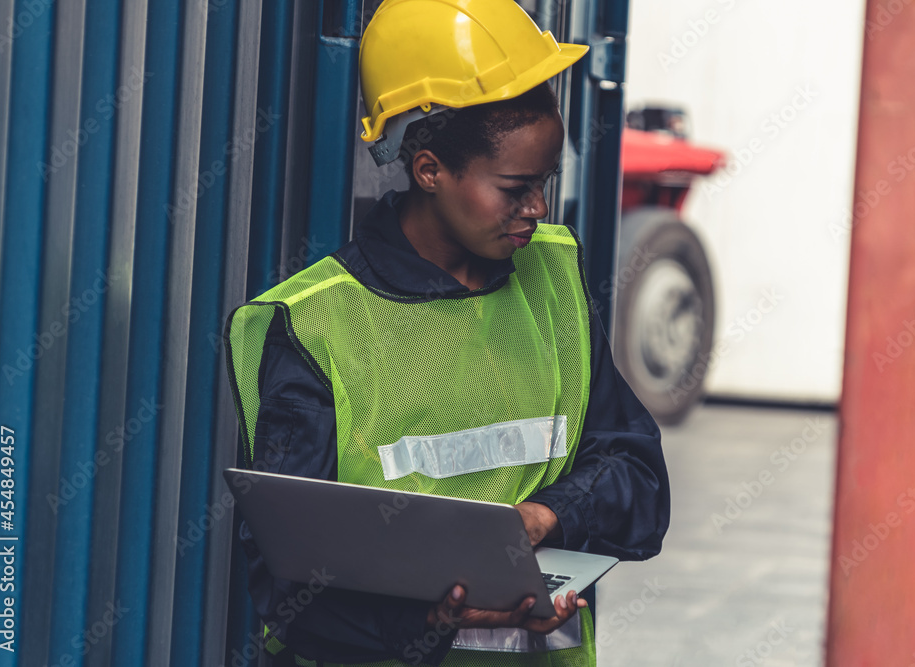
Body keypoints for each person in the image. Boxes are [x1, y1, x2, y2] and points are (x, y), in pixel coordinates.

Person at [223, 1, 669, 665]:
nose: (538, 209)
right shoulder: (315, 324)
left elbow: (639, 479)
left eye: (544, 183)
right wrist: (425, 620)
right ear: (429, 170)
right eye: (515, 187)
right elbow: (289, 584)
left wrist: (545, 515)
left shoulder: (554, 282)